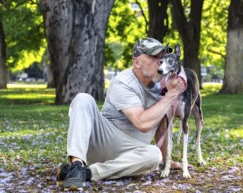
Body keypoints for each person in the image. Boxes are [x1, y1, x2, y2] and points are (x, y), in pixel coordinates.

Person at [57, 37, 186, 191]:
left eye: (162, 56)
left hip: (132, 151)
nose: (160, 61)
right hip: (103, 140)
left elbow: (161, 127)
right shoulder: (124, 82)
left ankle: (86, 173)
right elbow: (142, 123)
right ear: (136, 62)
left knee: (154, 155)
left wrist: (166, 161)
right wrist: (170, 96)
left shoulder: (163, 86)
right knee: (83, 99)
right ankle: (76, 164)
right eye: (154, 57)